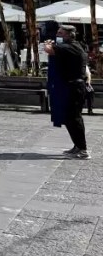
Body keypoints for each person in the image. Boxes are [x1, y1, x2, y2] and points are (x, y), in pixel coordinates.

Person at [45, 25, 91, 159]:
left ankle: (83, 150)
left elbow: (48, 49)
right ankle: (77, 146)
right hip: (71, 86)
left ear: (68, 35)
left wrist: (48, 43)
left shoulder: (70, 47)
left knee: (75, 118)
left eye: (60, 33)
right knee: (69, 118)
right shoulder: (71, 46)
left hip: (75, 87)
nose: (57, 35)